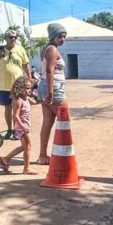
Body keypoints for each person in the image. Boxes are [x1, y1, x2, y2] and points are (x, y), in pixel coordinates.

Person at [36, 23, 68, 166]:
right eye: (60, 36)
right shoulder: (52, 50)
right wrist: (50, 92)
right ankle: (63, 157)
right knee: (64, 120)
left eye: (64, 37)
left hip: (47, 86)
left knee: (47, 123)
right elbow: (49, 71)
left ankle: (43, 156)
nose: (62, 39)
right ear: (53, 36)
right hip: (53, 87)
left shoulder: (47, 49)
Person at [0, 29, 30, 140]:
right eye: (10, 37)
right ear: (6, 38)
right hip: (4, 85)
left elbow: (25, 65)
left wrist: (30, 79)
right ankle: (9, 130)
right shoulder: (0, 50)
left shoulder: (20, 49)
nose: (13, 39)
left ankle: (17, 131)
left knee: (17, 110)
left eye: (14, 37)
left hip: (18, 86)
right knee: (8, 109)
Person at [0, 75, 37, 175]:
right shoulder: (18, 100)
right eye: (27, 88)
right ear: (20, 88)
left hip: (25, 126)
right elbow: (15, 116)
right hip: (21, 127)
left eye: (30, 88)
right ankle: (26, 168)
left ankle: (6, 159)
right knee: (28, 146)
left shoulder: (26, 98)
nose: (29, 90)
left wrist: (42, 99)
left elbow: (34, 102)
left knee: (24, 146)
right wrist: (23, 126)